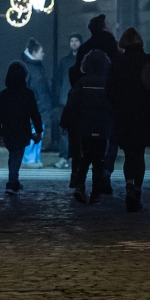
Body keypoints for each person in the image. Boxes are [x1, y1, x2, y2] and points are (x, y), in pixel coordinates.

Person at [107, 27, 150, 213]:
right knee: (139, 154)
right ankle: (137, 191)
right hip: (143, 112)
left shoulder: (117, 63)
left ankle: (129, 185)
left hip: (123, 113)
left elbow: (109, 90)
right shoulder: (149, 60)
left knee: (128, 154)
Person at [59, 48, 113, 203]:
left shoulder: (82, 82)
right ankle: (96, 192)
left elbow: (71, 105)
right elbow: (112, 105)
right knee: (99, 161)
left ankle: (80, 185)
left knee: (85, 158)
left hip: (85, 126)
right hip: (102, 127)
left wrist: (65, 123)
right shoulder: (107, 83)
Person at [0, 60, 43, 193]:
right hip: (22, 129)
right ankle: (12, 181)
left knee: (13, 154)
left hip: (8, 129)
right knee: (16, 155)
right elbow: (34, 113)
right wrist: (38, 130)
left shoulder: (3, 94)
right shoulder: (27, 94)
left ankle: (14, 180)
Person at [54, 33, 84, 165]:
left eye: (76, 40)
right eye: (72, 41)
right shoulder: (65, 61)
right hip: (65, 98)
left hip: (77, 99)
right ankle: (66, 155)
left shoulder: (83, 60)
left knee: (76, 129)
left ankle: (73, 155)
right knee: (65, 129)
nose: (73, 43)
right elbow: (59, 79)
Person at [22, 39, 52, 156]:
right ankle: (30, 157)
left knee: (38, 131)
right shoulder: (30, 68)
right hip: (36, 106)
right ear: (34, 53)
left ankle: (34, 157)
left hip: (40, 106)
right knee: (35, 131)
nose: (43, 54)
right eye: (41, 52)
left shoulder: (36, 67)